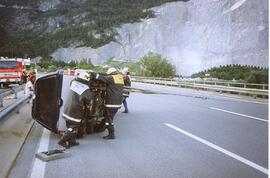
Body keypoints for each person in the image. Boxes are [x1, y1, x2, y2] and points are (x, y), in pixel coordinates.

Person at [58, 72, 92, 148]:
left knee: (69, 125)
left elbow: (74, 79)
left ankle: (72, 141)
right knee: (74, 127)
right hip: (76, 110)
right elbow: (89, 99)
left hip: (68, 108)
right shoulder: (86, 89)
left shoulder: (73, 82)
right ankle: (62, 141)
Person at [91, 67, 124, 139]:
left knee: (108, 119)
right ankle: (103, 128)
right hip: (118, 102)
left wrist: (92, 73)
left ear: (111, 73)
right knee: (110, 117)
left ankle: (111, 134)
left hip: (111, 102)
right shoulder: (120, 78)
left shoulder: (111, 78)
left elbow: (101, 78)